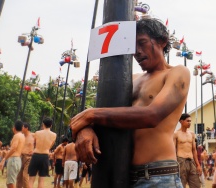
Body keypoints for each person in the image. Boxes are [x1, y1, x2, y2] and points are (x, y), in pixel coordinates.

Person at [71, 18, 190, 187]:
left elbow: (152, 116)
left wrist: (91, 115)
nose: (137, 52)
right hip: (124, 174)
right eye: (133, 47)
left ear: (162, 41)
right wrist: (86, 128)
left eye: (142, 43)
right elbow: (107, 112)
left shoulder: (177, 73)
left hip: (158, 175)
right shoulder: (132, 80)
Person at [173, 113, 201, 188]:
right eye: (187, 121)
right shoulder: (176, 134)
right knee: (181, 184)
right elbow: (173, 150)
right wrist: (175, 164)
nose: (189, 123)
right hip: (181, 161)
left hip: (191, 161)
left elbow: (194, 150)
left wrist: (198, 165)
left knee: (196, 185)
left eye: (190, 121)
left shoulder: (191, 134)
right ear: (181, 121)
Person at [28, 117, 57, 188]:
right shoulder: (54, 135)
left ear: (43, 124)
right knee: (41, 180)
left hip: (36, 155)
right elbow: (50, 146)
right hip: (45, 156)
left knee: (31, 179)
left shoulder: (37, 133)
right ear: (51, 125)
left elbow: (33, 142)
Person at [0, 120, 25, 188]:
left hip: (13, 159)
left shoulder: (16, 136)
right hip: (17, 159)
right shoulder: (22, 136)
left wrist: (4, 159)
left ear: (14, 128)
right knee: (10, 182)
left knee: (10, 183)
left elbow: (13, 148)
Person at [16, 122, 35, 188]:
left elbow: (40, 144)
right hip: (20, 157)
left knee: (25, 176)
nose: (21, 129)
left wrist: (34, 151)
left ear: (26, 128)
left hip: (29, 158)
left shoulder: (33, 135)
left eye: (22, 127)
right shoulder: (21, 136)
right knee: (19, 176)